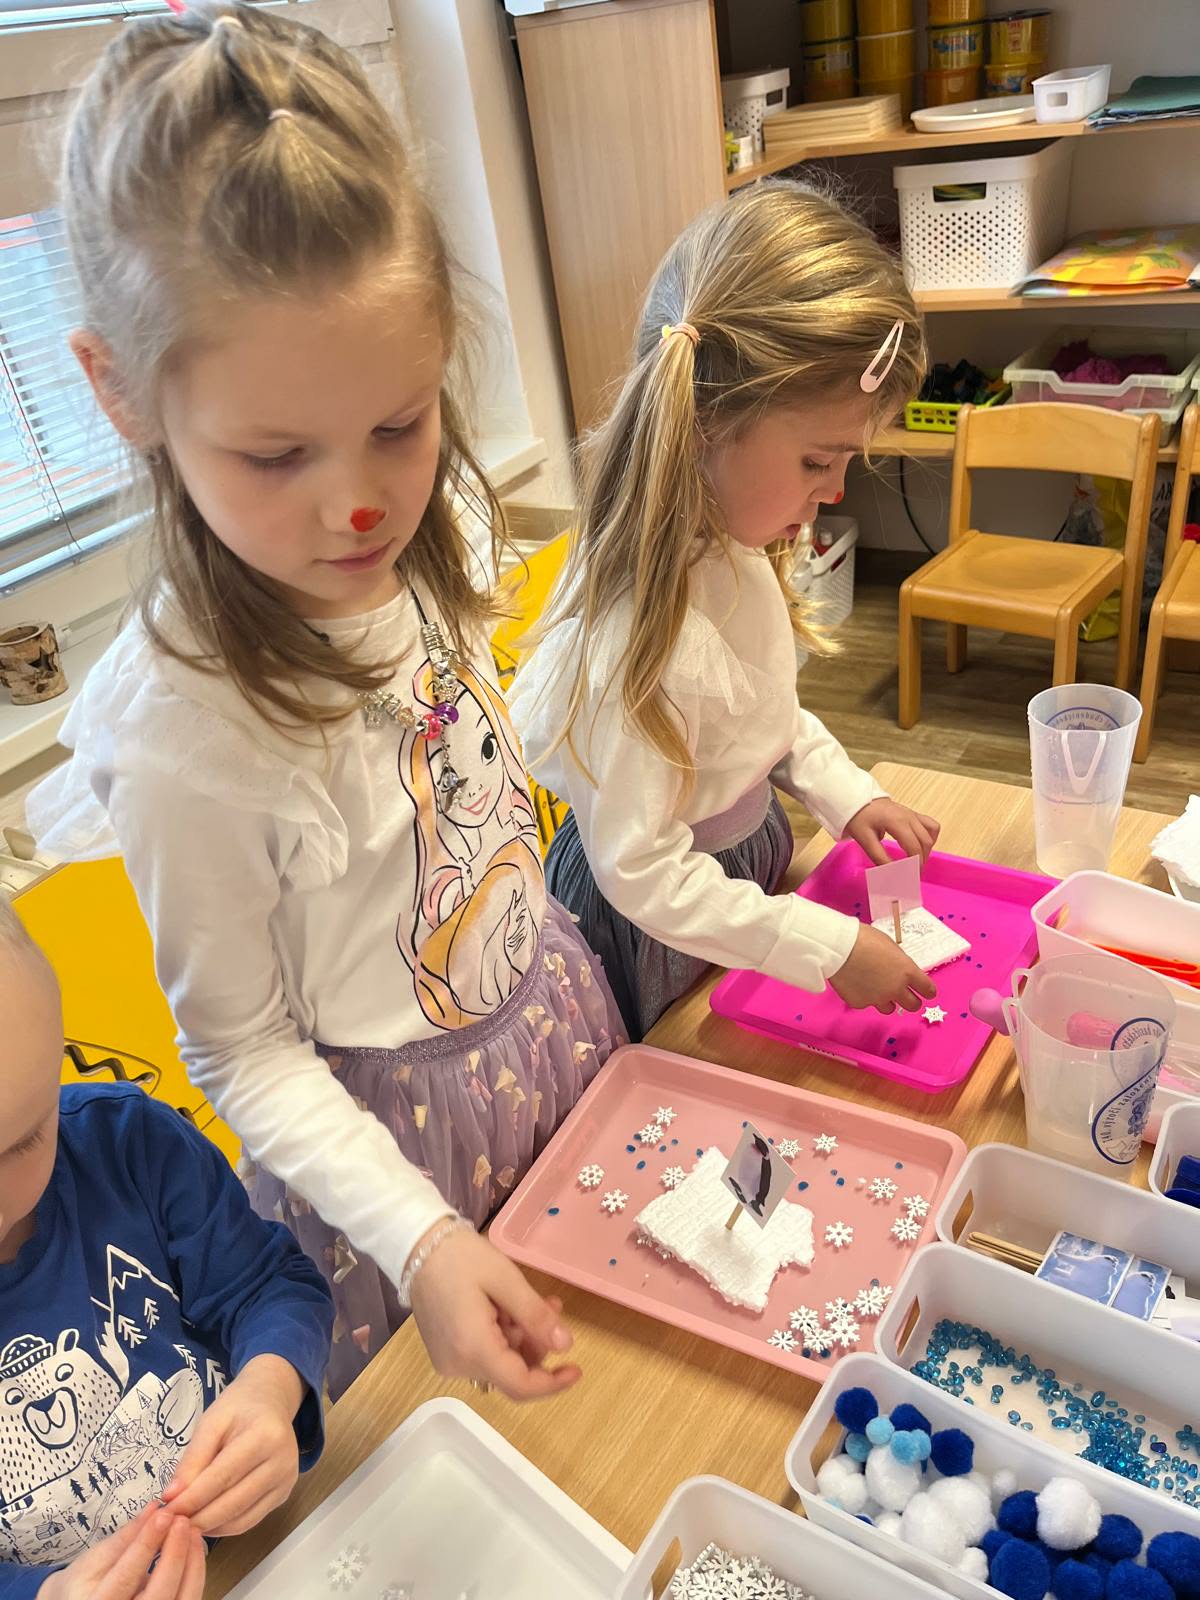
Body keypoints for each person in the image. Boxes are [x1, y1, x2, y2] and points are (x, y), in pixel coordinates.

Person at [28, 0, 623, 1404]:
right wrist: (422, 1240)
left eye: (399, 425)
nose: (361, 504)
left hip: (547, 1021)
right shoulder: (183, 735)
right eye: (277, 454)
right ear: (122, 392)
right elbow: (239, 1046)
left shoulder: (431, 530)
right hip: (391, 1168)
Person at [509, 181, 942, 1042]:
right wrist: (822, 946)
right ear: (707, 422)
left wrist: (844, 792)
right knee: (701, 1067)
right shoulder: (635, 635)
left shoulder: (732, 540)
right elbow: (643, 871)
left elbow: (755, 712)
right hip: (664, 924)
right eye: (818, 460)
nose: (836, 490)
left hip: (738, 883)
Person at [0, 901, 332, 1599]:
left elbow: (272, 1286)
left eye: (22, 1142)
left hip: (267, 1544)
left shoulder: (131, 1148)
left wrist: (269, 1390)